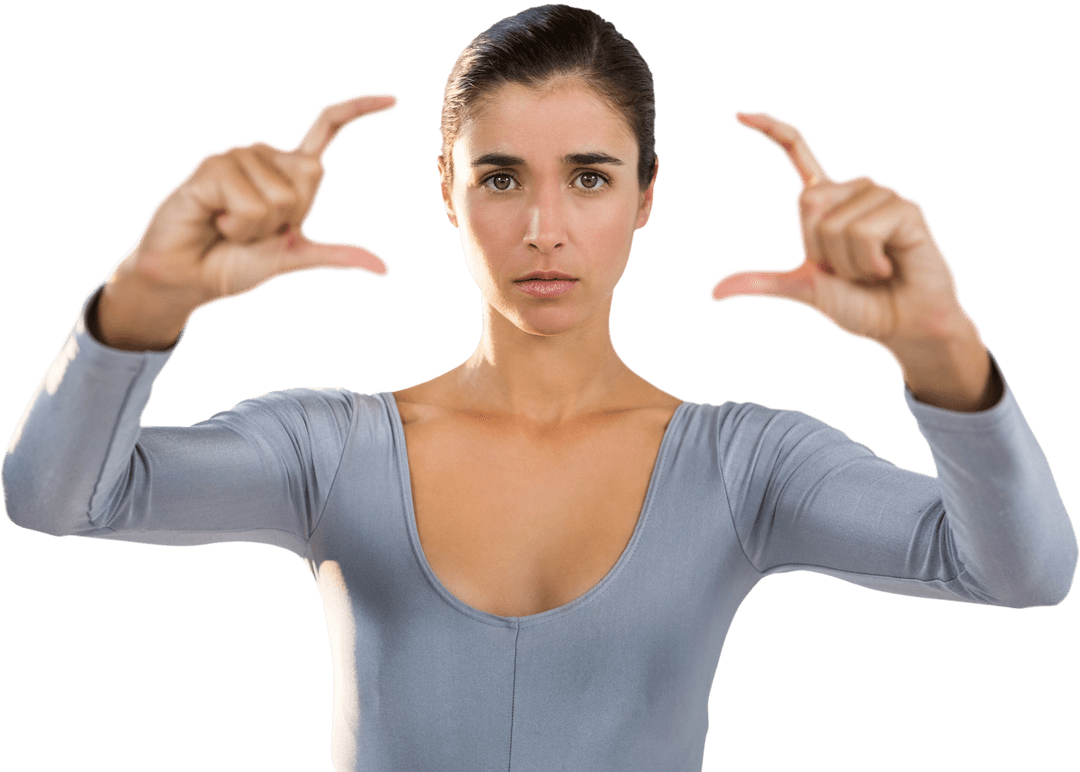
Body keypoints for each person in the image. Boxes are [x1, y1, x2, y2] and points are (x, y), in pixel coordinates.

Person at [2, 4, 1075, 771]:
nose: (544, 228)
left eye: (592, 177)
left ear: (649, 193)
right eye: (501, 176)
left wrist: (940, 347)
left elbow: (1021, 573)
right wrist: (143, 298)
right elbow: (57, 497)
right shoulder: (330, 451)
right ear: (447, 191)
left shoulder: (743, 465)